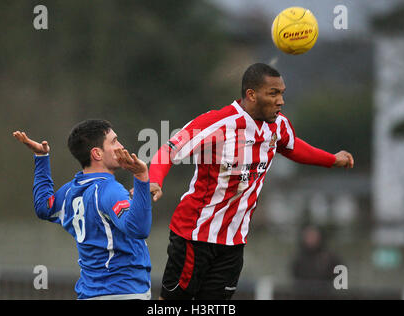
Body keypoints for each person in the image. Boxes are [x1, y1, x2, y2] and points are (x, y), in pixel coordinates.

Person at [148, 63, 354, 300]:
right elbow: (169, 149)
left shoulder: (278, 125)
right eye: (273, 93)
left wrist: (331, 160)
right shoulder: (218, 123)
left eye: (282, 93)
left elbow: (293, 146)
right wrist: (155, 180)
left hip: (234, 241)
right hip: (194, 235)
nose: (281, 101)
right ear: (251, 94)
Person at [13, 119, 152, 300]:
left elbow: (43, 207)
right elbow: (138, 228)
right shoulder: (109, 190)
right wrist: (141, 177)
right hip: (124, 291)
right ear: (97, 154)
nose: (121, 146)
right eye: (114, 141)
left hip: (89, 293)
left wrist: (41, 158)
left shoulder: (71, 190)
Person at [290, 225, 343, 299]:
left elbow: (339, 272)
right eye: (308, 236)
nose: (311, 239)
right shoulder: (299, 258)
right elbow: (295, 274)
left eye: (313, 236)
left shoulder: (329, 257)